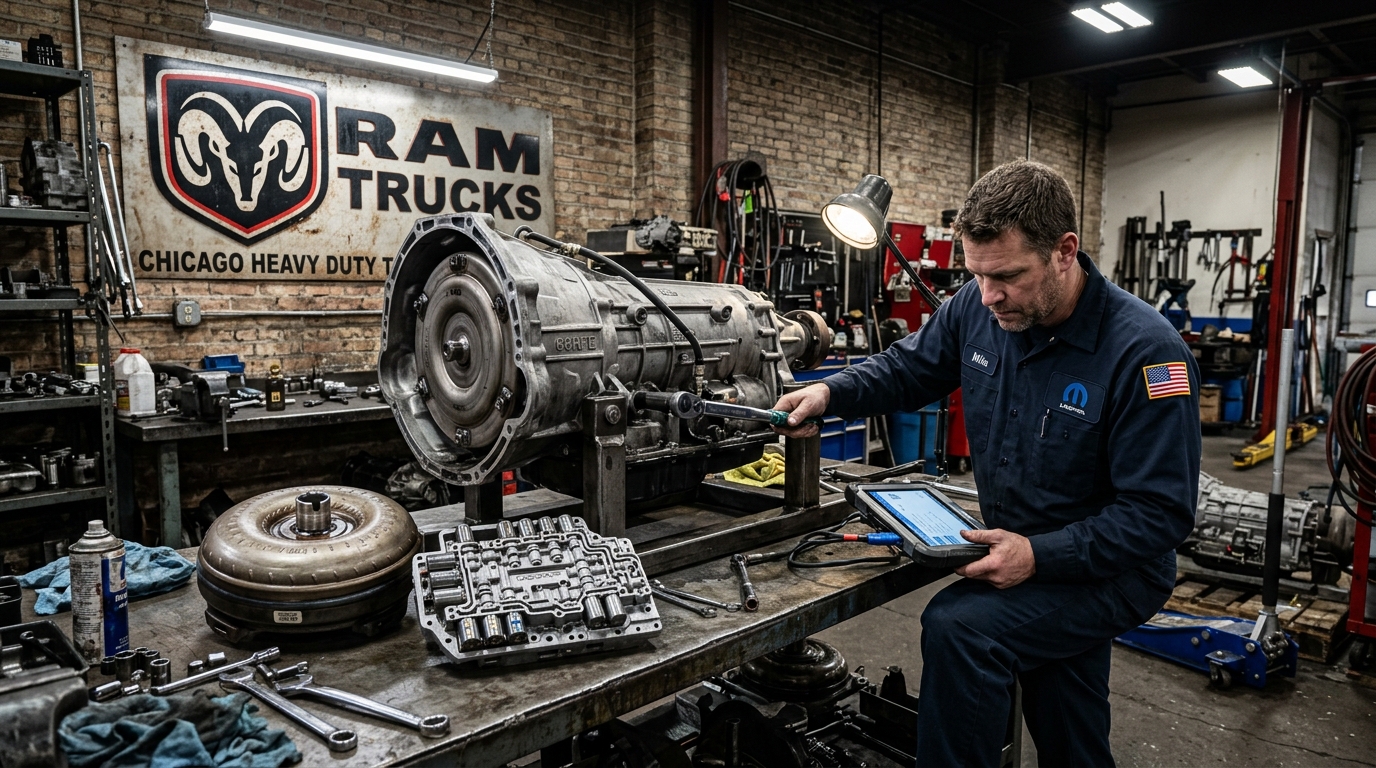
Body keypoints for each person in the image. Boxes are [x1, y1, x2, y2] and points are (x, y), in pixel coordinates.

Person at [773, 160, 1199, 767]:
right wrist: (832, 392)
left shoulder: (1147, 353)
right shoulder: (979, 307)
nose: (990, 294)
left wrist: (1038, 556)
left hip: (1114, 569)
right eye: (977, 276)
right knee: (1068, 717)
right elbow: (910, 368)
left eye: (1007, 276)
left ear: (1064, 251)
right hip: (1022, 542)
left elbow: (1159, 515)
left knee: (964, 629)